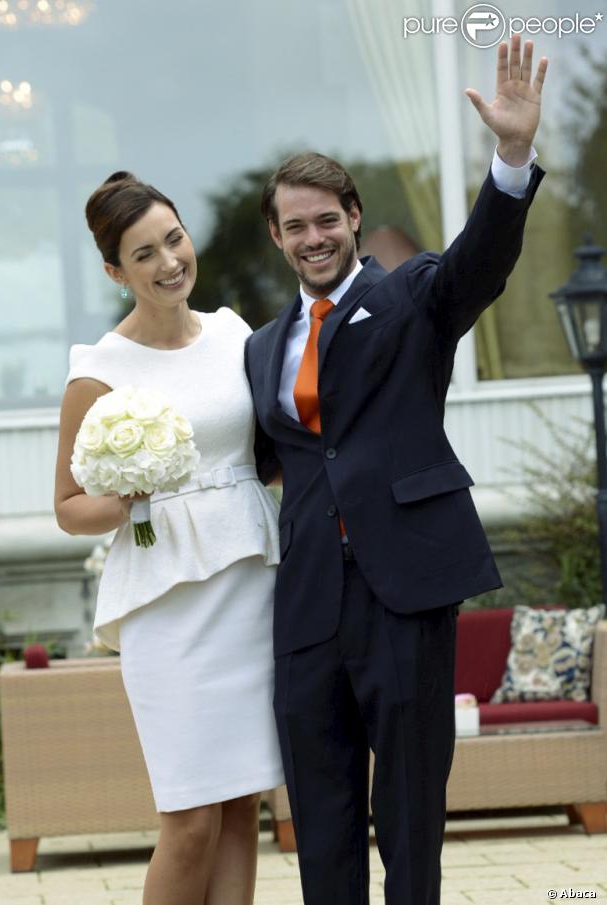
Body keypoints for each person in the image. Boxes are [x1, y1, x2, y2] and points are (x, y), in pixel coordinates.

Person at [245, 37, 548, 905]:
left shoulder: (411, 294)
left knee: (409, 807)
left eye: (327, 219)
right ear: (276, 235)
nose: (313, 237)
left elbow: (479, 265)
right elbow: (264, 459)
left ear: (351, 217)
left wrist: (512, 156)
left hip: (404, 588)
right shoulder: (262, 347)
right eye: (295, 225)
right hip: (305, 599)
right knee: (320, 804)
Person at [54, 172, 284, 905]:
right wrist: (126, 496)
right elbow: (66, 505)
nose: (168, 262)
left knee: (241, 802)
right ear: (115, 271)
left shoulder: (233, 333)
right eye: (143, 253)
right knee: (188, 818)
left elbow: (269, 451)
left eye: (174, 239)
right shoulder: (98, 369)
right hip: (166, 601)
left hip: (251, 580)